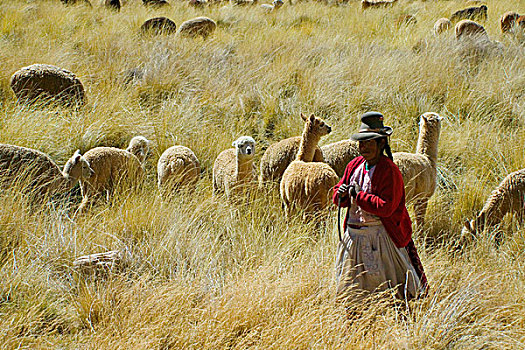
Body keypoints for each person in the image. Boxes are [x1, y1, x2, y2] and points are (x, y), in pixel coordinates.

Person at [333, 111, 427, 301]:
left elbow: (386, 207)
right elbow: (338, 196)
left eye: (369, 142)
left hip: (381, 239)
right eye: (362, 142)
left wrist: (358, 196)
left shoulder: (389, 171)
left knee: (390, 293)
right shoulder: (354, 165)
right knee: (353, 295)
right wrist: (341, 194)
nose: (364, 146)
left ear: (381, 143)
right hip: (355, 238)